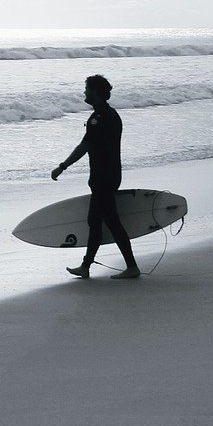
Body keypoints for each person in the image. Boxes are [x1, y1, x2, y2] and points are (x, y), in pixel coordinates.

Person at [50, 74, 141, 279]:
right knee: (95, 221)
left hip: (102, 178)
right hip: (112, 174)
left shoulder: (97, 119)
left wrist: (62, 167)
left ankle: (131, 267)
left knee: (110, 222)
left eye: (87, 89)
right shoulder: (113, 114)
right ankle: (86, 266)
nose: (84, 92)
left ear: (96, 92)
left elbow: (84, 146)